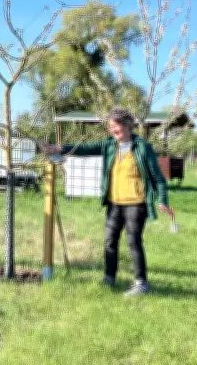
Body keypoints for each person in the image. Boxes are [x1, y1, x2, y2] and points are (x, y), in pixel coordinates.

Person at [42, 106, 173, 296]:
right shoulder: (110, 145)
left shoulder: (142, 147)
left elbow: (158, 178)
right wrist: (60, 148)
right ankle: (109, 278)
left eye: (116, 127)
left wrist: (162, 200)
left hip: (136, 203)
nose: (113, 131)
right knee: (109, 241)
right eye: (111, 127)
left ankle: (141, 283)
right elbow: (86, 148)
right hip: (114, 203)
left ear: (128, 126)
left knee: (133, 241)